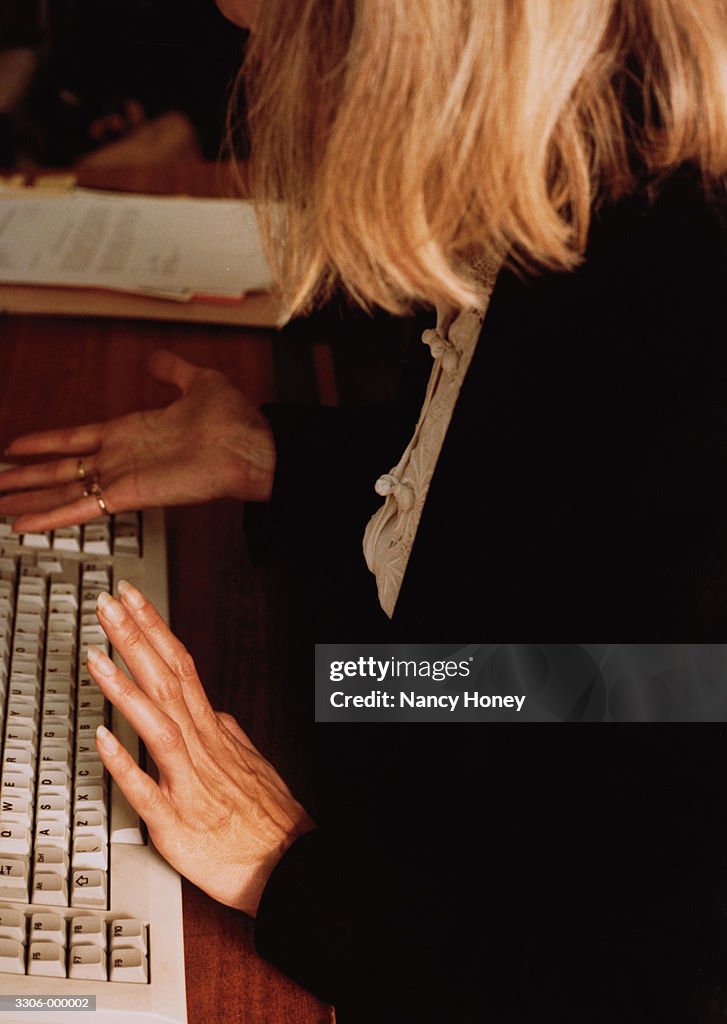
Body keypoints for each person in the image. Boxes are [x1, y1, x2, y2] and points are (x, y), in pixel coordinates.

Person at [3, 1, 727, 1019]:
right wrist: (282, 458)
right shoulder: (599, 171)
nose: (260, 60)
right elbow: (576, 592)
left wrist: (280, 866)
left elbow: (648, 983)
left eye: (283, 30)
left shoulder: (689, 309)